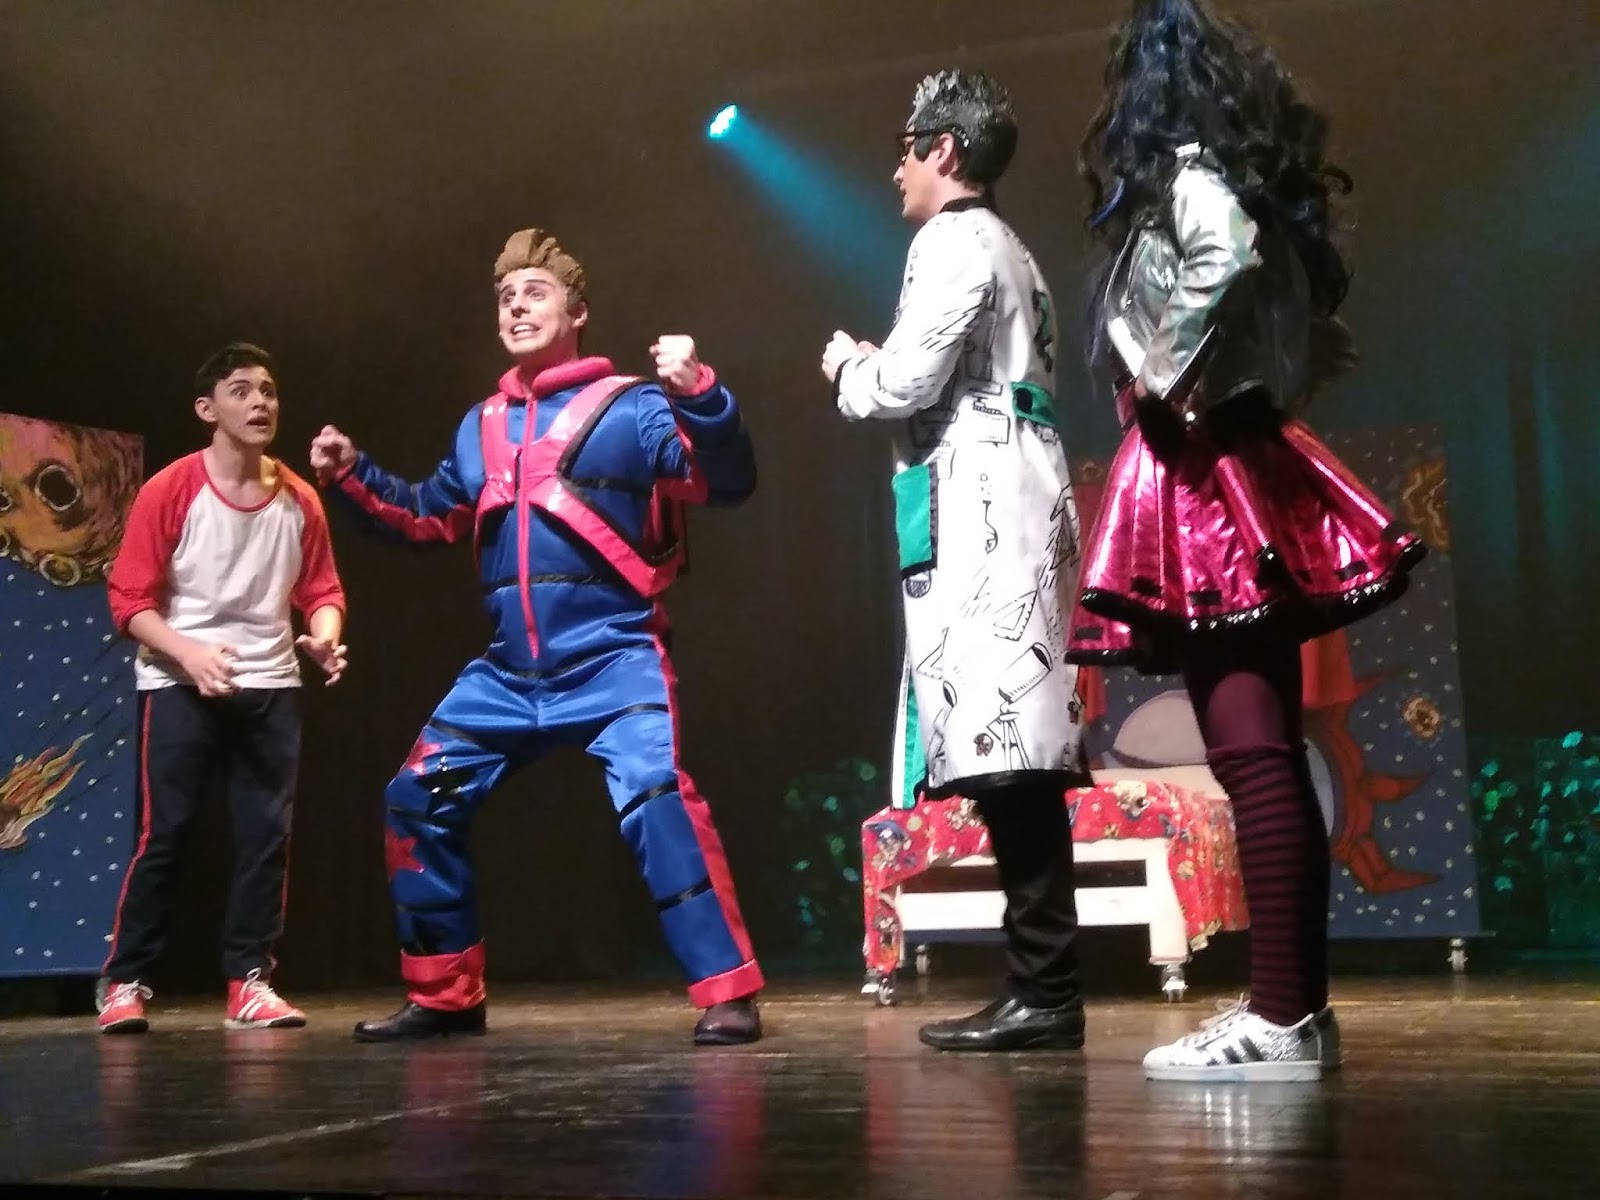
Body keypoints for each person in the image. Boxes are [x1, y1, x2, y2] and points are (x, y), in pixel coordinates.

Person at [1069, 0, 1425, 1081]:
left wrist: (1160, 376)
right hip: (1228, 457)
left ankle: (1282, 1018)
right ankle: (1291, 1012)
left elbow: (1219, 256)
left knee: (1251, 753)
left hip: (1205, 471)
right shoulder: (1233, 175)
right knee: (1258, 749)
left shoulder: (1191, 175)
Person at [312, 228, 764, 1045]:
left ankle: (727, 991)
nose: (517, 307)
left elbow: (726, 481)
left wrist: (701, 393)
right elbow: (428, 516)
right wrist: (352, 475)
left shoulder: (631, 407)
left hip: (614, 656)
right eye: (505, 297)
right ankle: (445, 995)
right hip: (510, 674)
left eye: (535, 293)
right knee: (414, 796)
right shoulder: (480, 425)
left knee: (656, 791)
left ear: (577, 311)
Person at [821, 70, 1089, 1052]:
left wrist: (848, 364)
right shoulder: (1012, 247)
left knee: (1010, 748)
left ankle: (1046, 988)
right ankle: (1042, 983)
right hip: (1014, 483)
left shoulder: (951, 240)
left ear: (944, 149)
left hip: (986, 497)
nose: (895, 168)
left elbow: (900, 382)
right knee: (1014, 746)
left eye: (906, 146)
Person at [99, 342, 348, 1034]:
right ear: (207, 409)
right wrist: (190, 653)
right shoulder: (171, 489)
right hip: (179, 681)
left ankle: (250, 980)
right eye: (241, 391)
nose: (260, 402)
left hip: (271, 685)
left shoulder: (299, 498)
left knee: (267, 836)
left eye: (268, 390)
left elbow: (321, 590)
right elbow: (128, 600)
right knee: (167, 834)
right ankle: (125, 981)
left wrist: (323, 636)